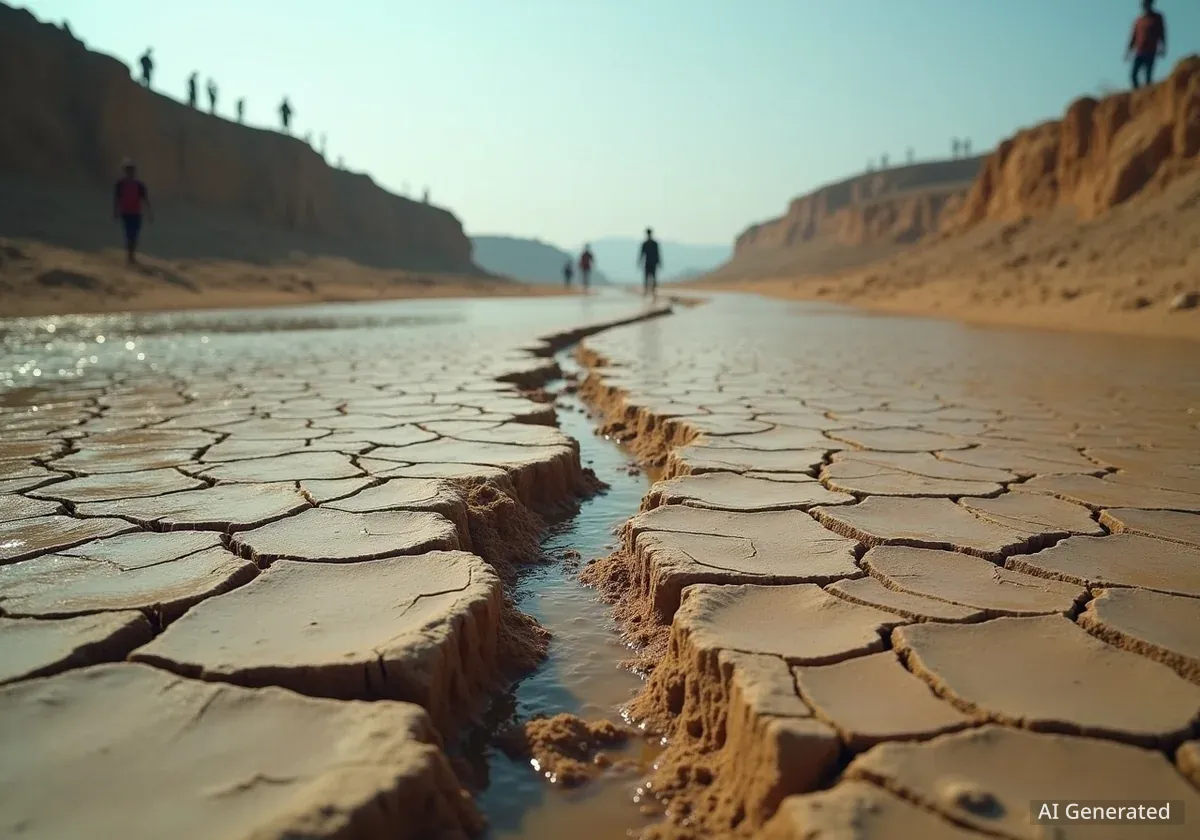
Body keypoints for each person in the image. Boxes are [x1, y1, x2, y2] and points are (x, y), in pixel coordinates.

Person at [113, 160, 153, 266]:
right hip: (129, 213)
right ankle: (130, 257)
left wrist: (149, 213)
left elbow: (145, 200)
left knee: (132, 235)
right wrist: (115, 211)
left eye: (131, 170)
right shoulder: (123, 184)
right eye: (128, 170)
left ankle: (131, 256)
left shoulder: (137, 185)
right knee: (130, 235)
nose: (130, 172)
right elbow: (117, 199)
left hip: (133, 213)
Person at [1127, 0, 1167, 90]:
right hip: (1139, 51)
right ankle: (1138, 93)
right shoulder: (1139, 20)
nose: (1145, 6)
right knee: (1133, 75)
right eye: (1144, 4)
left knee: (1148, 76)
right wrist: (1129, 50)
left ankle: (1148, 93)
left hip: (1151, 51)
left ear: (1151, 4)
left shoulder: (1157, 18)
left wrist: (1163, 47)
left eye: (1147, 4)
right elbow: (1133, 36)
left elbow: (1162, 32)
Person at [638, 228, 662, 299]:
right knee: (650, 278)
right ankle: (649, 292)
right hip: (651, 263)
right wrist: (659, 262)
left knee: (650, 278)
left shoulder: (648, 243)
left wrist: (639, 262)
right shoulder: (651, 243)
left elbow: (642, 254)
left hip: (649, 263)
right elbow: (658, 254)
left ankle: (651, 292)